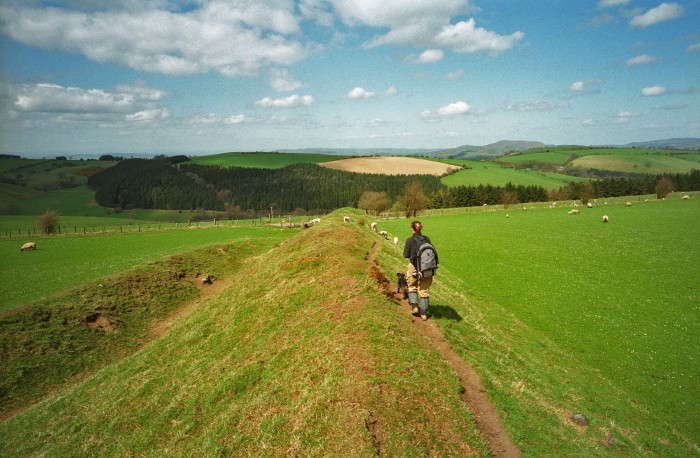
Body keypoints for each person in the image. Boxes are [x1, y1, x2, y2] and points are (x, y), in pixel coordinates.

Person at [403, 220, 433, 321]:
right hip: (426, 268)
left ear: (412, 229)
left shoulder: (409, 240)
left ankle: (415, 307)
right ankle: (424, 314)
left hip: (414, 267)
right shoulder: (427, 238)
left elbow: (405, 255)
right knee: (424, 290)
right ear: (421, 229)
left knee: (412, 286)